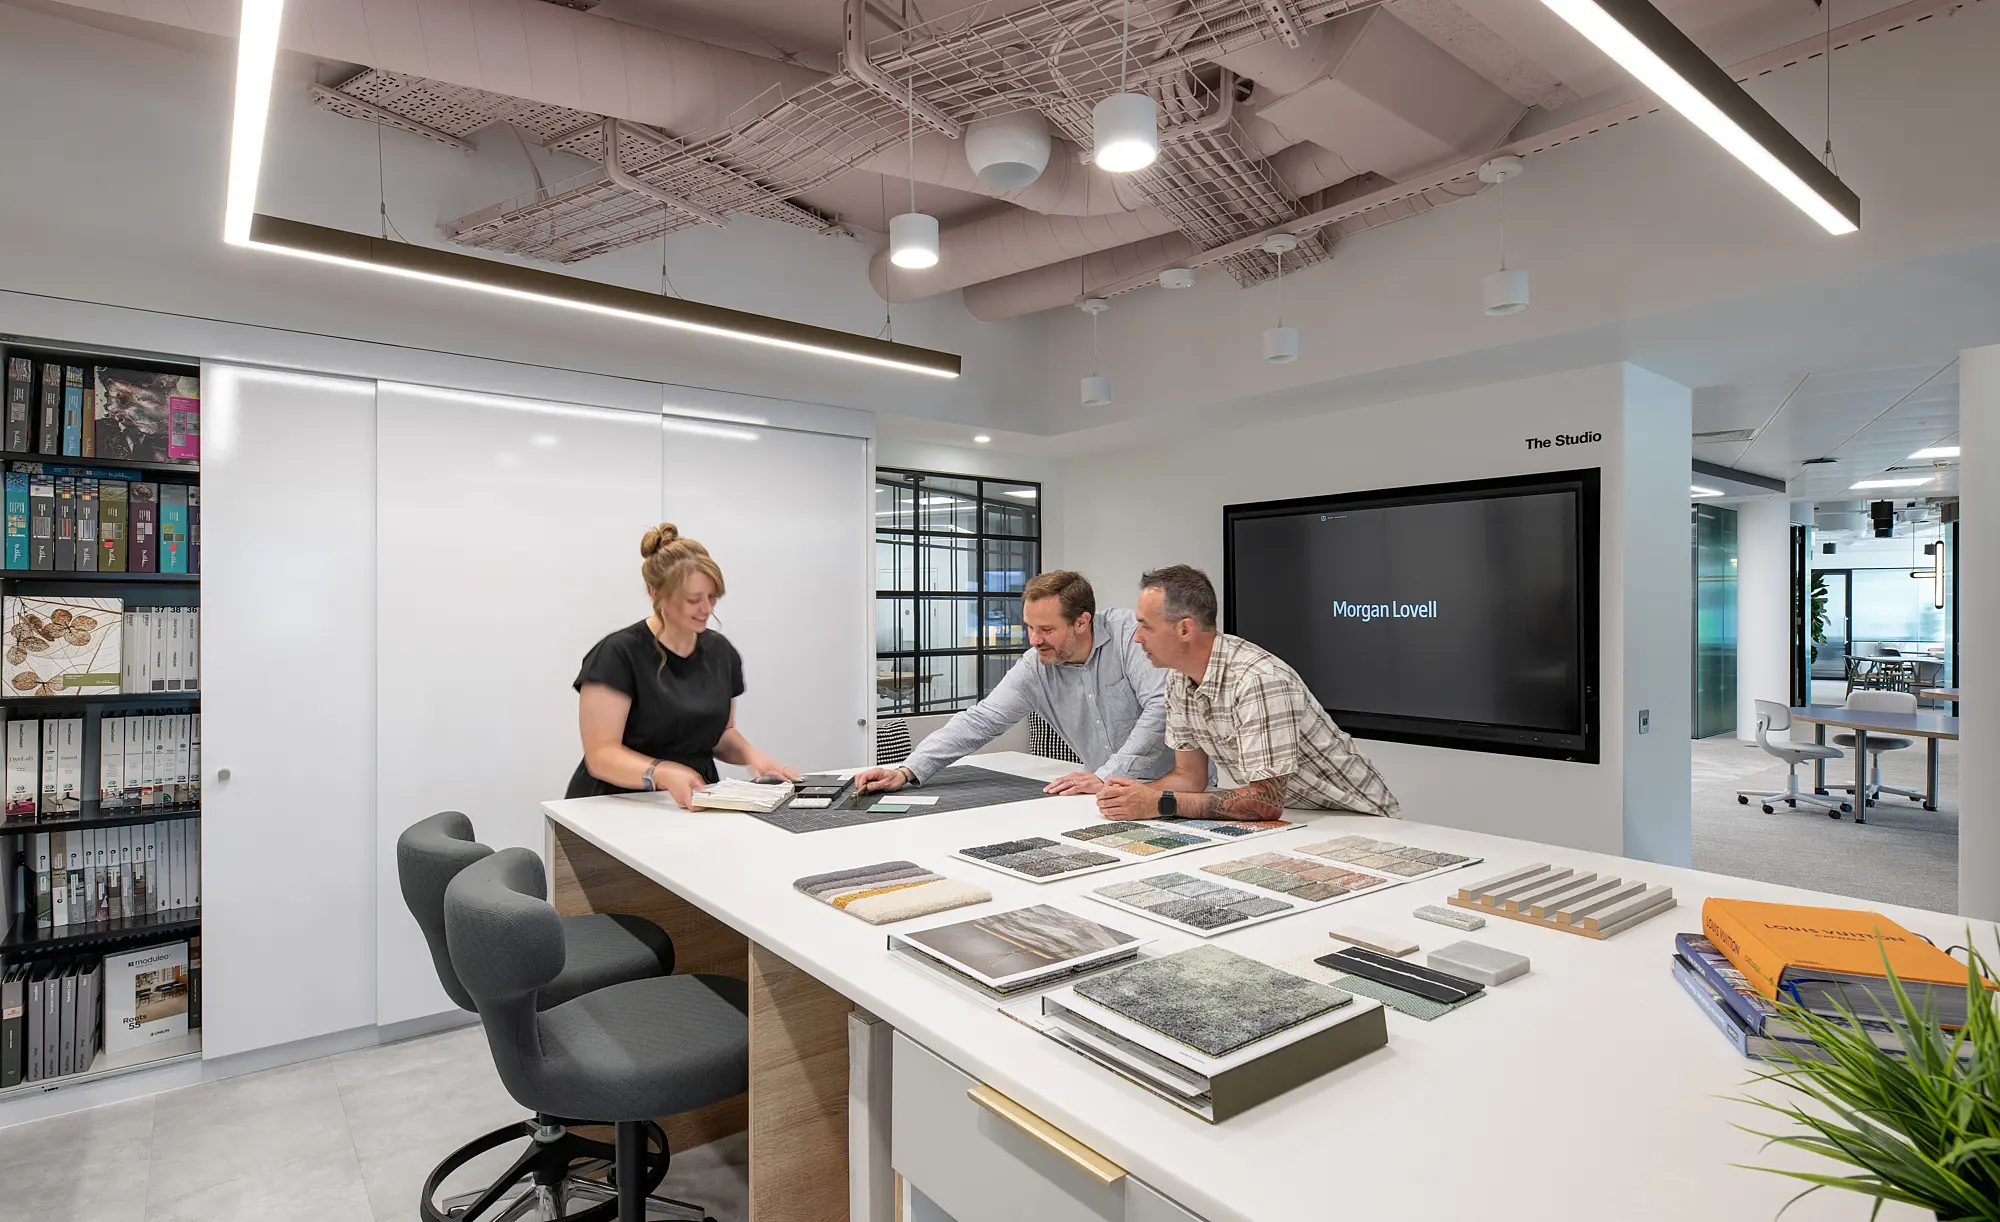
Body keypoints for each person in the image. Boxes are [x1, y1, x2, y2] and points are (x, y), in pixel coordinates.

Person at [1096, 564, 1399, 822]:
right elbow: (1190, 776)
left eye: (1145, 626)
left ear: (1185, 629)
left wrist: (1159, 803)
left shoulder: (1257, 680)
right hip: (1299, 818)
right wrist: (1133, 797)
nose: (1137, 638)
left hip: (1357, 820)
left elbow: (1266, 801)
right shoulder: (1179, 679)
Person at [852, 570, 1172, 797]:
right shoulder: (1036, 665)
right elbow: (981, 720)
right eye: (1030, 627)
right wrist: (906, 770)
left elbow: (1161, 708)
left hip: (1172, 791)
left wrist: (1107, 775)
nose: (1034, 640)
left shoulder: (1132, 637)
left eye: (1046, 629)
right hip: (1104, 796)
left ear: (1082, 621)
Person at [567, 523, 796, 807]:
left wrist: (753, 757)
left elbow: (720, 734)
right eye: (693, 600)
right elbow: (601, 755)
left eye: (712, 597)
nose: (707, 609)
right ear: (655, 594)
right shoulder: (618, 654)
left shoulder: (721, 652)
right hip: (616, 802)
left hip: (693, 798)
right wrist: (660, 773)